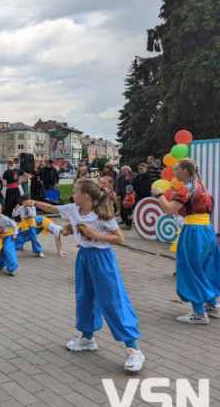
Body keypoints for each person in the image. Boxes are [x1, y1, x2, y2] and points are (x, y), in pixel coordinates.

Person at [33, 179, 145, 372]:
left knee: (112, 300)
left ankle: (133, 348)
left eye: (75, 192)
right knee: (85, 297)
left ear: (85, 195)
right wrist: (34, 203)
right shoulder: (73, 209)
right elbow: (52, 207)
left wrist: (96, 235)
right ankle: (87, 337)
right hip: (84, 257)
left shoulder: (101, 215)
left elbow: (119, 237)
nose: (73, 195)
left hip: (103, 258)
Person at [152, 157, 220, 324]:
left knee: (190, 269)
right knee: (205, 267)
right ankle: (212, 304)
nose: (174, 172)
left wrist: (159, 194)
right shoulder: (200, 186)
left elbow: (168, 210)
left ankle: (198, 313)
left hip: (193, 232)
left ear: (184, 171)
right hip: (207, 230)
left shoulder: (187, 189)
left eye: (177, 169)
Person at [0, 202, 18, 276]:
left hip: (9, 236)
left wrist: (15, 233)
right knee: (0, 250)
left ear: (1, 211)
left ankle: (12, 268)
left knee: (8, 250)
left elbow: (14, 225)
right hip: (0, 237)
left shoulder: (5, 219)